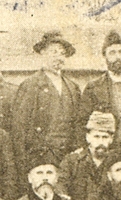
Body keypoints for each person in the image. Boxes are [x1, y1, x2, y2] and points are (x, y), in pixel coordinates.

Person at [11, 31, 83, 167]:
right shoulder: (30, 85)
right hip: (40, 158)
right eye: (54, 52)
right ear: (43, 53)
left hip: (68, 158)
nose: (59, 57)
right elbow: (19, 130)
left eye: (62, 53)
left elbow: (78, 125)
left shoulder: (73, 87)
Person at [58, 111, 117, 200]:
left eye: (105, 137)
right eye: (96, 137)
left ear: (111, 139)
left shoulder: (116, 162)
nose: (100, 142)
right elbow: (60, 185)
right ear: (88, 137)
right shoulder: (72, 161)